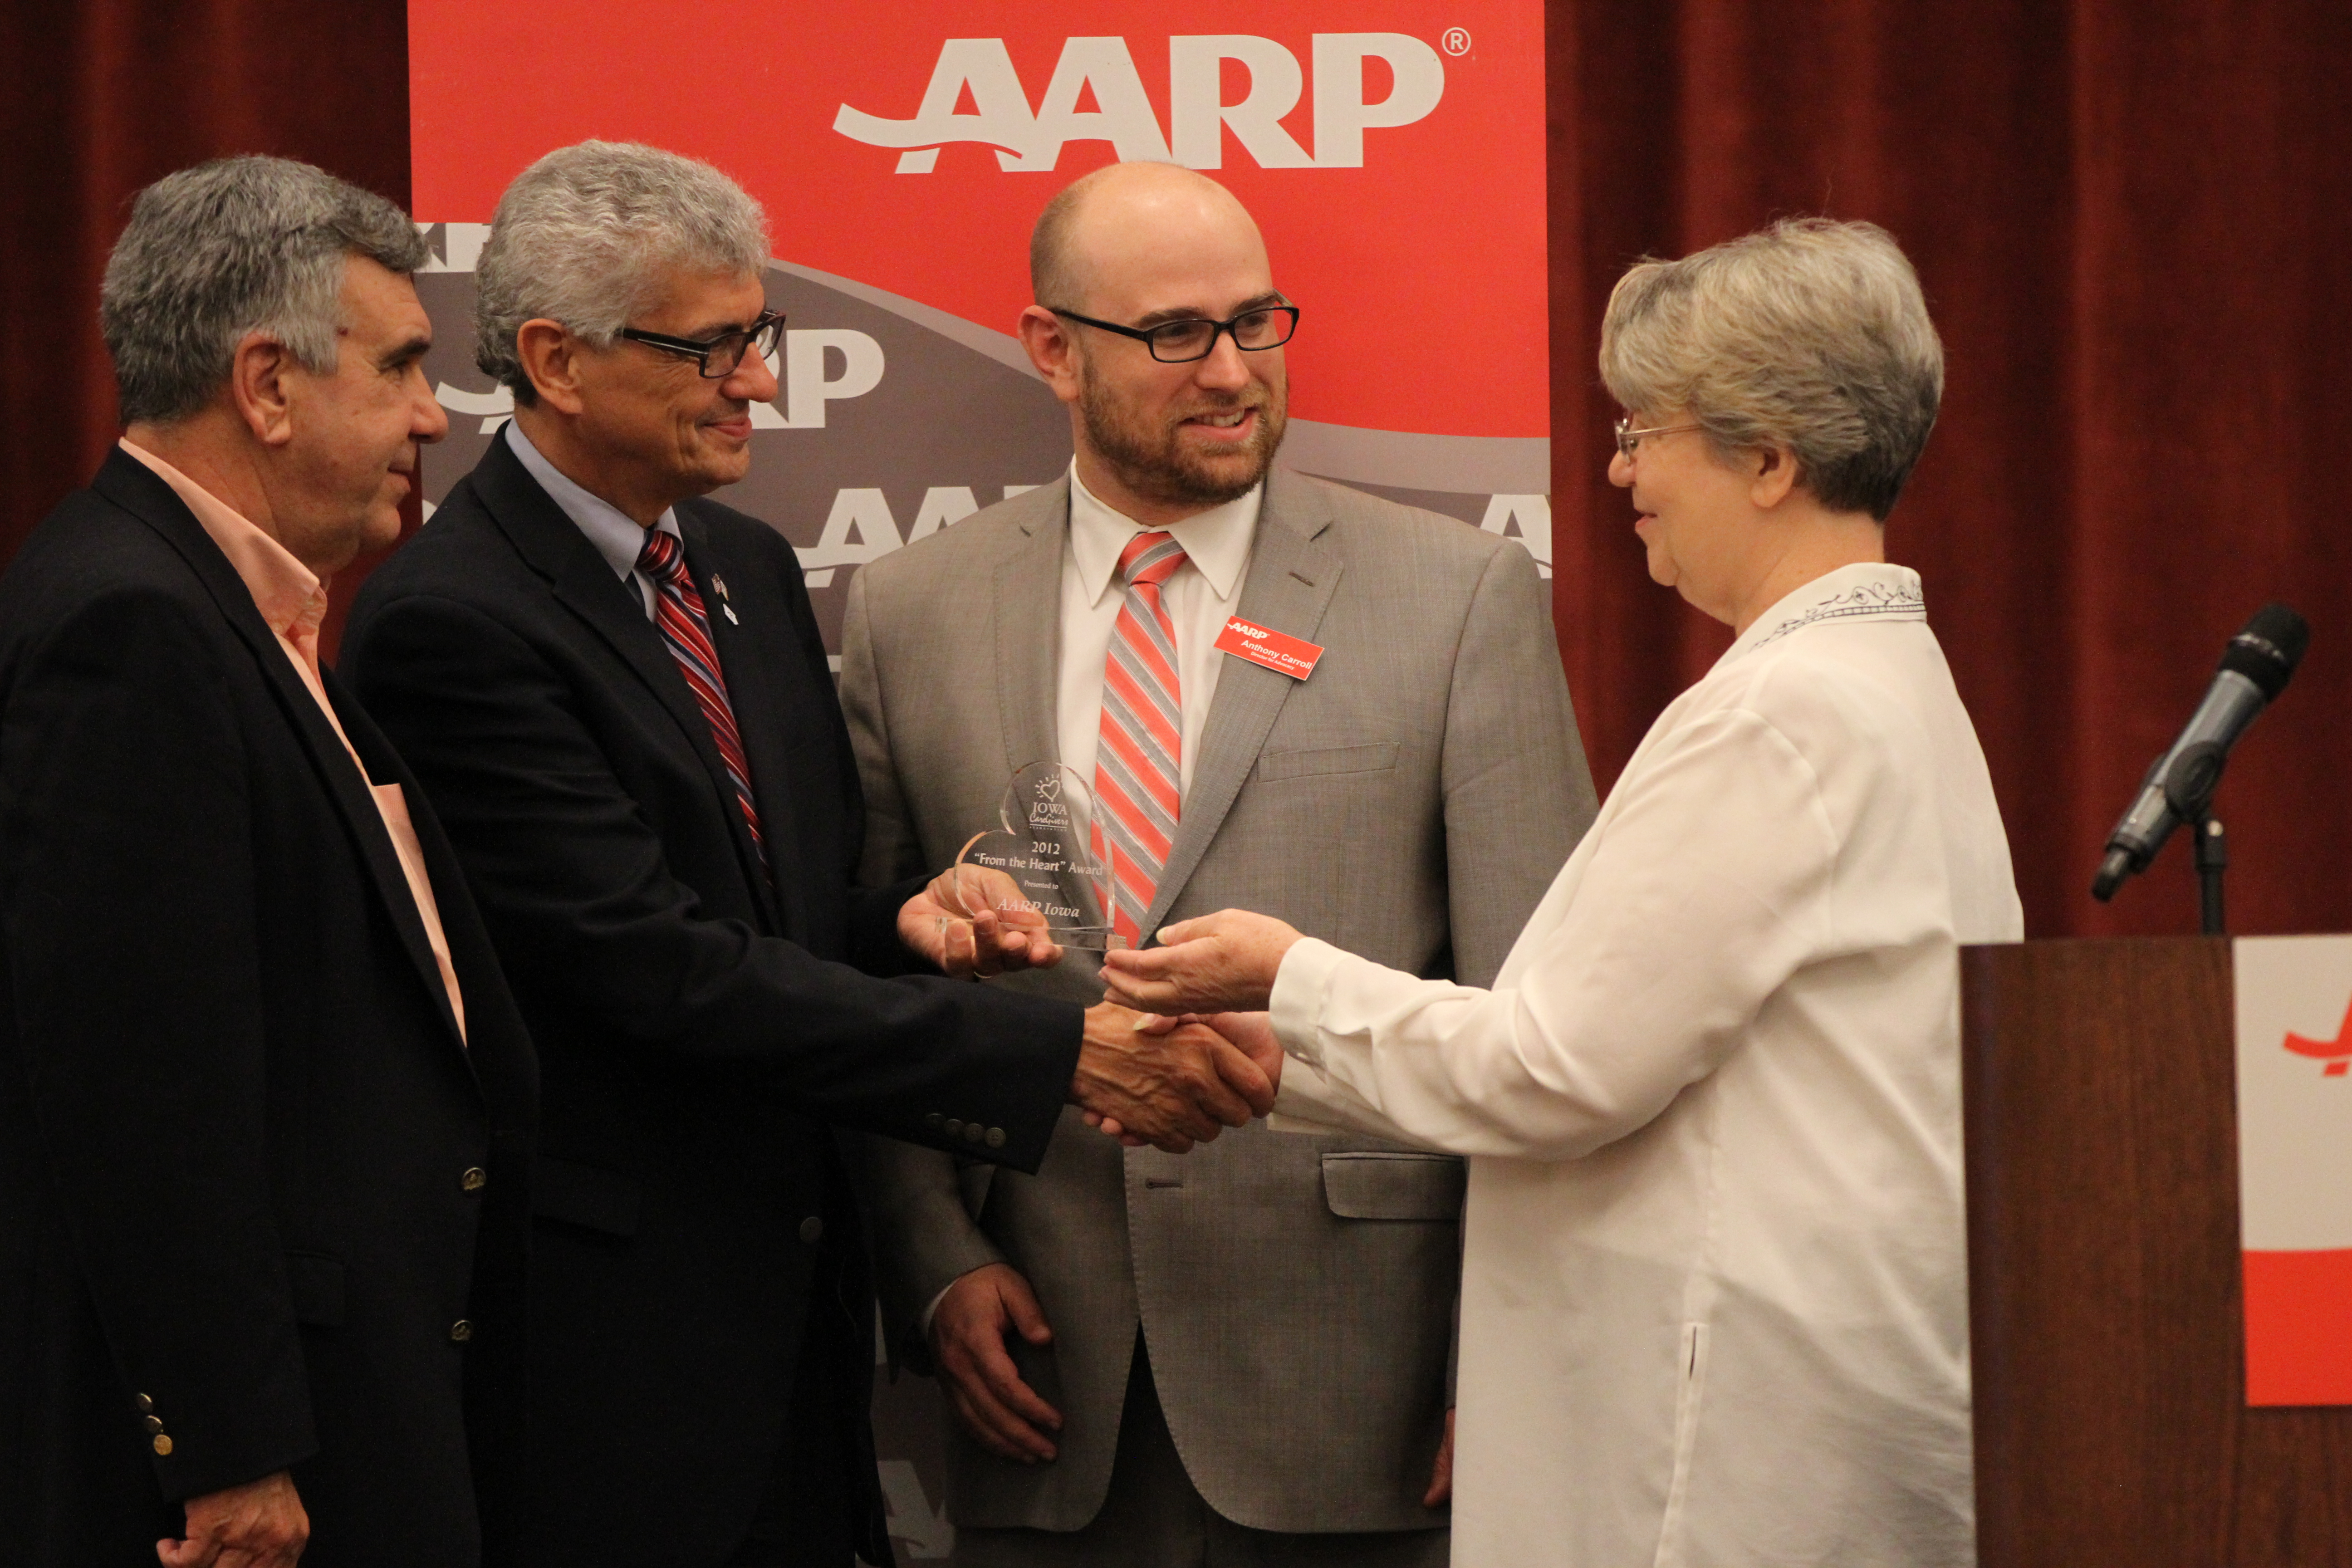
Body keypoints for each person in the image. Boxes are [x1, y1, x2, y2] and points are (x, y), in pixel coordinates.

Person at [339, 142, 1269, 1568]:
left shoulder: (742, 567)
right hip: (617, 1367)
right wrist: (1053, 1056)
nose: (763, 382)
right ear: (555, 359)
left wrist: (914, 916)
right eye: (714, 348)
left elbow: (779, 908)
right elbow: (657, 969)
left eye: (758, 338)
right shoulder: (449, 622)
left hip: (800, 1333)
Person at [1102, 218, 2024, 1567]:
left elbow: (1554, 1069)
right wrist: (1277, 1057)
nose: (1618, 468)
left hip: (1732, 1445)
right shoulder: (1881, 681)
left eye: (1647, 428)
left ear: (1768, 461)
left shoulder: (1781, 714)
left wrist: (1287, 973)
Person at [840, 161, 1593, 1567]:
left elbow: (1539, 1013)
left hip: (1357, 1395)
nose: (1236, 371)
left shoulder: (1456, 597)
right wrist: (934, 1260)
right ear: (1052, 350)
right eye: (1178, 332)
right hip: (1043, 1392)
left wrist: (1506, 1359)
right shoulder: (911, 609)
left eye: (1259, 322)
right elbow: (873, 975)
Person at [0, 157, 538, 1568]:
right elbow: (136, 1087)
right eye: (404, 366)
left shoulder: (234, 603)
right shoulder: (132, 626)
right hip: (264, 1466)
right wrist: (231, 1449)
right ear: (267, 385)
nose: (435, 414)